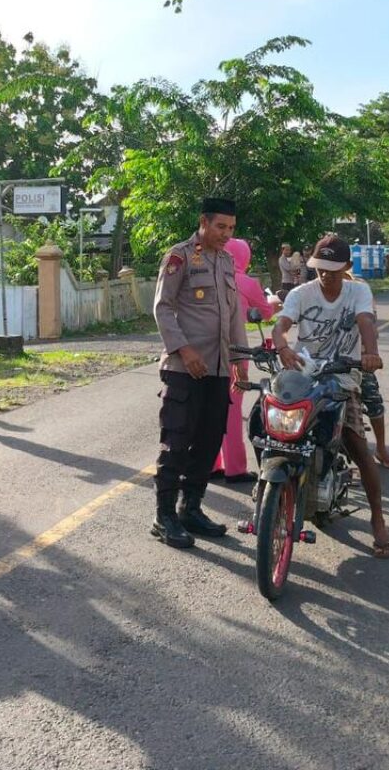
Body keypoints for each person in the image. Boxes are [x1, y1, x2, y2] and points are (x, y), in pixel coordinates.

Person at [272, 234, 389, 558]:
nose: (325, 274)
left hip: (342, 377)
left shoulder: (358, 291)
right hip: (302, 373)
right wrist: (282, 346)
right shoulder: (301, 293)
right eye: (320, 268)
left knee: (356, 443)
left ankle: (378, 519)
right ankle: (272, 484)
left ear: (346, 267)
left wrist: (370, 352)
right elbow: (281, 325)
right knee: (268, 421)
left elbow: (365, 322)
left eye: (332, 269)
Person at [151, 197, 248, 548]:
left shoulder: (226, 260)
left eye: (232, 228)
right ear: (203, 222)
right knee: (176, 441)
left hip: (219, 369)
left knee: (207, 443)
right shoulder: (179, 256)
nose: (226, 234)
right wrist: (184, 348)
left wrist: (238, 360)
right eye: (221, 226)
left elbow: (234, 315)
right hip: (184, 369)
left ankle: (190, 508)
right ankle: (164, 516)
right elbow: (162, 307)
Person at [211, 237, 278, 483]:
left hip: (204, 350)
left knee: (208, 407)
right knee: (231, 408)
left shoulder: (208, 276)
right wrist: (274, 301)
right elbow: (265, 312)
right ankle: (235, 468)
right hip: (234, 350)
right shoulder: (246, 282)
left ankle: (210, 464)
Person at [344, 269, 389, 470]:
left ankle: (381, 448)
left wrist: (368, 354)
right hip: (327, 360)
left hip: (357, 358)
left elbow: (370, 326)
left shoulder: (361, 289)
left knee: (373, 399)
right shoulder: (316, 290)